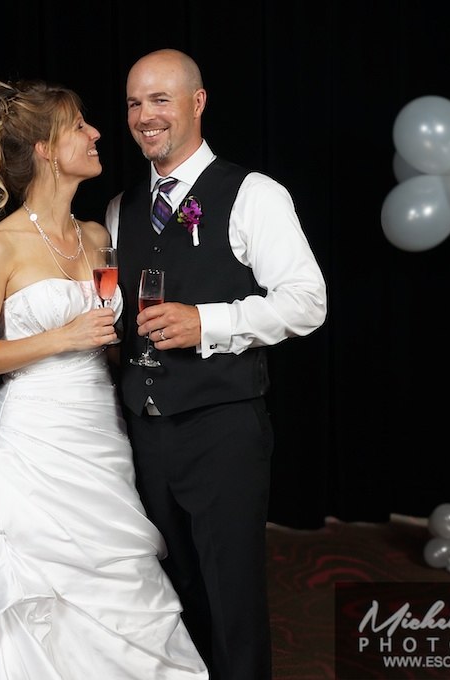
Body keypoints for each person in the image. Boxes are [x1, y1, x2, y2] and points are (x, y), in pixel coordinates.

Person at [0, 78, 209, 679]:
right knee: (28, 580)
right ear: (44, 148)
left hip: (101, 431)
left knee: (115, 576)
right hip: (35, 438)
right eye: (79, 127)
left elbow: (109, 339)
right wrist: (60, 339)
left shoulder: (97, 237)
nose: (98, 134)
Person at [105, 49, 328, 680]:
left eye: (160, 99)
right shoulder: (121, 209)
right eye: (133, 102)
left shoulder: (254, 194)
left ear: (197, 103)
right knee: (169, 594)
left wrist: (210, 322)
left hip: (221, 428)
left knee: (231, 596)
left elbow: (307, 302)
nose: (145, 116)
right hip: (142, 433)